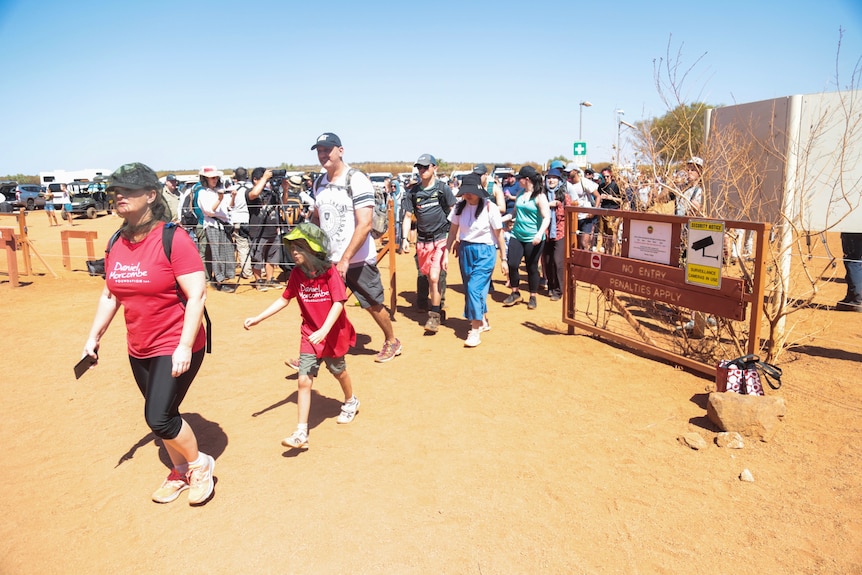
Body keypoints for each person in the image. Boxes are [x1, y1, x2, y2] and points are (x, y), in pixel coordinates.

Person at [81, 162, 214, 505]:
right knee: (164, 413)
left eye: (127, 190)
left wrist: (185, 346)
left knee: (158, 417)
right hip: (138, 345)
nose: (118, 196)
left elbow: (197, 294)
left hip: (176, 343)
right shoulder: (117, 241)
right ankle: (179, 470)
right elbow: (111, 294)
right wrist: (94, 337)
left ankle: (200, 466)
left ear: (151, 195)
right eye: (116, 191)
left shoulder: (174, 238)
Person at [244, 223, 358, 450]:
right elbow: (284, 298)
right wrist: (259, 317)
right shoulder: (296, 274)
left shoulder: (329, 272)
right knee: (304, 381)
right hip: (309, 333)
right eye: (292, 247)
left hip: (331, 333)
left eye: (299, 247)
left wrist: (325, 330)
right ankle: (301, 432)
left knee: (339, 371)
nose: (294, 252)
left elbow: (338, 302)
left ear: (312, 248)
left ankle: (350, 400)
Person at [309, 132, 402, 362]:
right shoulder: (318, 183)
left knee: (371, 303)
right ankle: (316, 350)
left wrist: (346, 258)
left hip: (357, 259)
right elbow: (318, 218)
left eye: (327, 150)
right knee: (323, 303)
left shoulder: (356, 180)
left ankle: (392, 340)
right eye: (319, 151)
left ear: (340, 150)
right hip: (328, 258)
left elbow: (365, 224)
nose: (323, 155)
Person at [446, 173, 506, 347]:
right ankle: (483, 319)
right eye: (465, 192)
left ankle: (474, 329)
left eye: (471, 192)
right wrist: (445, 253)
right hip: (466, 250)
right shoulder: (459, 207)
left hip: (486, 252)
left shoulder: (490, 207)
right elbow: (452, 232)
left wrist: (503, 258)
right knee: (472, 289)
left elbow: (499, 235)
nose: (467, 195)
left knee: (474, 287)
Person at [401, 153, 456, 332]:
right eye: (419, 167)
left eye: (426, 167)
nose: (422, 170)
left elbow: (454, 212)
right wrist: (404, 239)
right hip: (422, 242)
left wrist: (455, 237)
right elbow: (408, 216)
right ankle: (437, 306)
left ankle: (434, 316)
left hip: (440, 238)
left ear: (434, 168)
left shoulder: (442, 189)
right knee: (426, 275)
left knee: (434, 277)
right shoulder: (413, 192)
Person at [503, 166, 551, 310]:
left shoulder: (539, 196)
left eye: (520, 179)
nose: (518, 181)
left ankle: (532, 296)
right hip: (517, 235)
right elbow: (514, 213)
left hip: (533, 238)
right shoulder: (520, 194)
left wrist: (539, 234)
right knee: (512, 264)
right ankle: (515, 292)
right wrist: (501, 219)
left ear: (527, 180)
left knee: (532, 267)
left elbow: (546, 217)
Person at [197, 166, 235, 292]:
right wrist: (219, 199)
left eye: (216, 177)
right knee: (217, 254)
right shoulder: (203, 193)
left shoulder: (219, 191)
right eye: (212, 177)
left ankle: (223, 278)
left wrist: (232, 197)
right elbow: (209, 211)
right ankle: (218, 281)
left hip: (223, 224)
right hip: (213, 224)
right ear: (205, 179)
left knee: (227, 252)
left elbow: (229, 208)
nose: (215, 179)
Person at [246, 168, 285, 290]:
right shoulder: (249, 191)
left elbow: (282, 203)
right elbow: (254, 195)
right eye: (263, 178)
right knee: (257, 256)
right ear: (255, 180)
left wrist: (286, 189)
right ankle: (259, 280)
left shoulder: (271, 193)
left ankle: (270, 279)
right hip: (257, 230)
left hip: (272, 229)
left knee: (272, 256)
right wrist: (264, 178)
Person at [543, 168, 567, 301]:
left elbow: (569, 211)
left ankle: (559, 290)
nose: (551, 180)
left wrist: (557, 204)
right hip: (545, 232)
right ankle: (551, 287)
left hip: (560, 232)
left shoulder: (564, 195)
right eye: (549, 178)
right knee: (547, 261)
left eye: (554, 178)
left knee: (558, 262)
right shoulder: (542, 195)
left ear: (559, 180)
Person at [565, 164, 600, 250]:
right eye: (567, 172)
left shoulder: (584, 182)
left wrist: (593, 212)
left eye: (570, 171)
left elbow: (598, 196)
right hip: (573, 217)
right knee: (574, 243)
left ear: (576, 171)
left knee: (584, 243)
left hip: (586, 217)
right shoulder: (566, 184)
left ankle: (585, 261)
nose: (568, 173)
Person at [228, 167, 253, 280]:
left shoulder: (231, 189)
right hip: (251, 220)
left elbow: (229, 206)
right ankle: (259, 269)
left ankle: (247, 272)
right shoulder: (252, 187)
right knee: (254, 245)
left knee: (242, 247)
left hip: (237, 219)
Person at [597, 167, 621, 253]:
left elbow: (623, 200)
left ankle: (613, 251)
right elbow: (597, 197)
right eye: (604, 177)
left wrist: (612, 198)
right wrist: (601, 198)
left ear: (611, 176)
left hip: (613, 211)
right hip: (604, 210)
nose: (606, 178)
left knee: (612, 233)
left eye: (607, 176)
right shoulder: (601, 186)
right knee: (603, 232)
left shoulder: (616, 186)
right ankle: (606, 250)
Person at [837, 232, 862, 311]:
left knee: (853, 261)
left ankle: (857, 300)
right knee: (856, 261)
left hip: (854, 231)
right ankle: (851, 296)